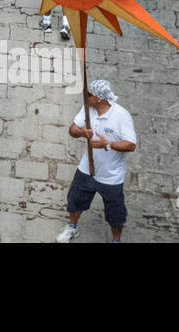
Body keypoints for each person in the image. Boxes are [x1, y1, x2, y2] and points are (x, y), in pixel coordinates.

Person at [56, 79, 137, 243]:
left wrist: (106, 144)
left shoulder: (121, 116)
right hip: (87, 169)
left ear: (99, 98)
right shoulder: (88, 109)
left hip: (111, 176)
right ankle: (72, 227)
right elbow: (72, 130)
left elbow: (130, 144)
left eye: (89, 94)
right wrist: (81, 132)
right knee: (75, 200)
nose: (85, 97)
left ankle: (116, 240)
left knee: (116, 214)